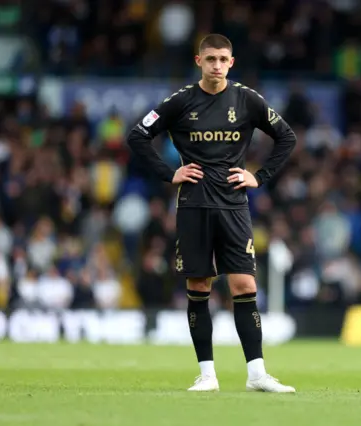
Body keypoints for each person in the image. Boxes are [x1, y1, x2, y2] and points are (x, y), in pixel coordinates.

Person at [127, 34, 297, 393]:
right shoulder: (180, 101)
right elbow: (138, 135)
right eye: (211, 59)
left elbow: (287, 137)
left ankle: (256, 374)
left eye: (223, 59)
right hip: (194, 205)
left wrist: (259, 176)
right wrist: (169, 173)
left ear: (231, 63)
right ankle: (207, 375)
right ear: (198, 61)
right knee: (199, 286)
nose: (217, 65)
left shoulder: (246, 99)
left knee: (244, 285)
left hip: (234, 205)